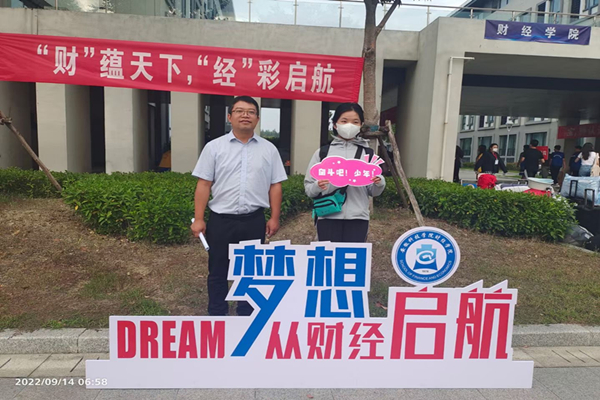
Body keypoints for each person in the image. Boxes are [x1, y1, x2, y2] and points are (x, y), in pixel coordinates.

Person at [190, 96, 288, 316]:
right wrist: (199, 218)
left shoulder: (269, 149)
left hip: (253, 220)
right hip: (221, 220)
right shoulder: (214, 148)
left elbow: (275, 185)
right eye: (240, 111)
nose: (245, 115)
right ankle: (217, 314)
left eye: (251, 112)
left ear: (257, 119)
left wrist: (274, 217)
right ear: (229, 117)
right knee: (218, 270)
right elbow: (204, 184)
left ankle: (246, 314)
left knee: (250, 272)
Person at [304, 103, 386, 243]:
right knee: (328, 257)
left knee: (353, 256)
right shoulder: (323, 153)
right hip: (328, 216)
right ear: (335, 124)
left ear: (361, 125)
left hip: (358, 219)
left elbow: (373, 192)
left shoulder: (368, 154)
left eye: (355, 122)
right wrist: (317, 186)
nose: (349, 125)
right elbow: (309, 189)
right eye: (344, 121)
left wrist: (379, 183)